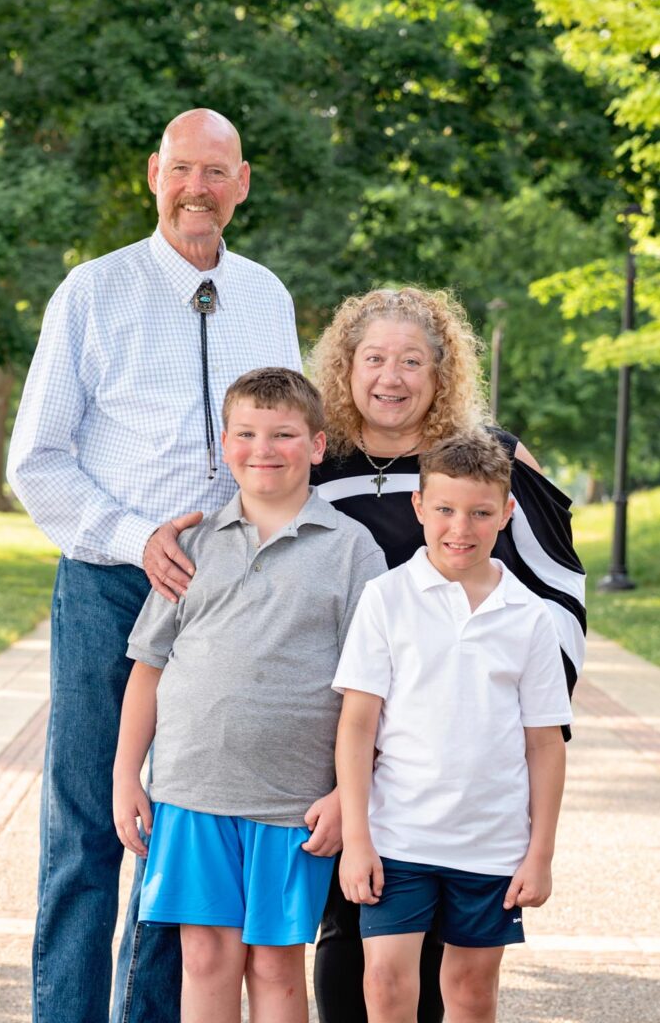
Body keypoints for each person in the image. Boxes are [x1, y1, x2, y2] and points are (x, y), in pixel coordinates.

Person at [6, 109, 302, 1023]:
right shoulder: (92, 293)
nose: (196, 190)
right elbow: (35, 461)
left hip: (226, 602)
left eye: (215, 173)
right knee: (89, 830)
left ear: (241, 184)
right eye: (181, 170)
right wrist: (139, 536)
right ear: (152, 174)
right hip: (110, 584)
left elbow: (287, 446)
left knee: (183, 841)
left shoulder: (267, 297)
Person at [308, 286, 586, 1022]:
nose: (390, 378)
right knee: (353, 942)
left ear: (442, 373)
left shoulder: (483, 461)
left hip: (455, 771)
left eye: (411, 361)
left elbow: (556, 596)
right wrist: (346, 780)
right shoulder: (315, 464)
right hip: (340, 747)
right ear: (345, 366)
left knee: (456, 974)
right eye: (373, 359)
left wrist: (511, 733)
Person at [112, 368, 387, 1023]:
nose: (263, 448)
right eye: (246, 434)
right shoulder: (191, 545)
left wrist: (349, 796)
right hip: (190, 792)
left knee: (274, 963)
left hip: (292, 803)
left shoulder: (351, 550)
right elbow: (148, 667)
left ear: (317, 445)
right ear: (226, 445)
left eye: (283, 434)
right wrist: (127, 775)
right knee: (204, 958)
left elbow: (374, 692)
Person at [333, 431, 573, 1023]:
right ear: (418, 507)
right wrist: (358, 838)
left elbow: (544, 743)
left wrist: (539, 852)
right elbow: (358, 726)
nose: (459, 527)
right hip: (398, 836)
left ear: (507, 513)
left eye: (480, 513)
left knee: (469, 990)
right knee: (386, 984)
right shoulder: (385, 598)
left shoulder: (530, 617)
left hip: (491, 843)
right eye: (443, 509)